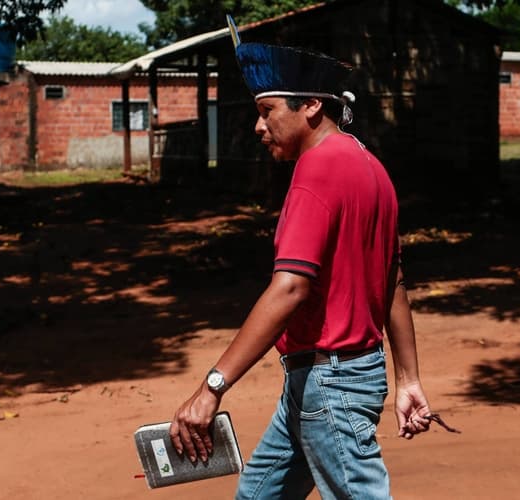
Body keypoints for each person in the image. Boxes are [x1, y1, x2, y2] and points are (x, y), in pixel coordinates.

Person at [170, 16, 434, 499]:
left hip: (331, 385)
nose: (258, 125)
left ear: (311, 105)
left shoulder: (315, 171)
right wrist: (408, 378)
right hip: (327, 378)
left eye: (267, 111)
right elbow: (392, 279)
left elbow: (290, 286)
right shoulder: (370, 166)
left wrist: (212, 386)